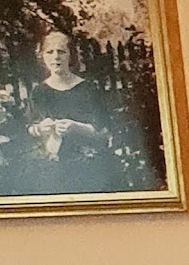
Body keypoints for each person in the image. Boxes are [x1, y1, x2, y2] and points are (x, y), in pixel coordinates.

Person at [7, 30, 125, 195]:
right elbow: (30, 128)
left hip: (90, 165)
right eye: (50, 52)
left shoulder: (88, 89)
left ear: (71, 55)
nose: (56, 57)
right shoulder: (39, 92)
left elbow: (105, 132)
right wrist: (40, 128)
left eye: (61, 51)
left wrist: (76, 127)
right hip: (54, 167)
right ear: (42, 57)